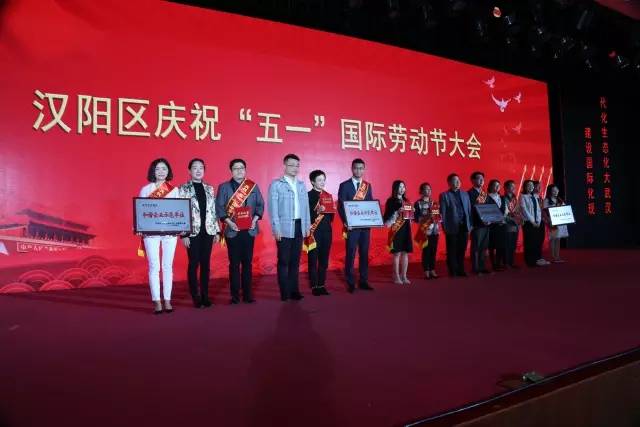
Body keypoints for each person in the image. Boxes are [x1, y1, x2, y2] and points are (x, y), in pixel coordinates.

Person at [216, 159, 265, 304]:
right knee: (234, 264)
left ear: (245, 170)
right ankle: (235, 296)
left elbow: (260, 205)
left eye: (241, 168)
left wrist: (255, 220)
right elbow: (219, 207)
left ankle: (248, 295)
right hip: (232, 231)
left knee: (247, 264)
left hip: (249, 230)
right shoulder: (224, 187)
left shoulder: (252, 186)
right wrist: (229, 222)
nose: (239, 171)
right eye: (236, 168)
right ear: (231, 171)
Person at [268, 154, 311, 302]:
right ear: (285, 166)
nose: (295, 168)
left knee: (295, 261)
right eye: (291, 165)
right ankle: (284, 292)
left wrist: (307, 226)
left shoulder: (301, 185)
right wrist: (276, 229)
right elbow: (273, 209)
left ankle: (294, 291)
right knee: (284, 261)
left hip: (299, 225)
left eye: (297, 165)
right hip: (284, 227)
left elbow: (306, 208)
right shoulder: (276, 184)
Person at [138, 158, 179, 314]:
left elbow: (179, 211)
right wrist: (140, 226)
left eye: (164, 168)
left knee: (167, 266)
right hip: (151, 233)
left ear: (168, 171)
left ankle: (167, 299)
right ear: (153, 172)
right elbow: (140, 211)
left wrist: (181, 226)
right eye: (158, 169)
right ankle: (156, 300)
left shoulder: (174, 190)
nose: (161, 171)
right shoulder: (146, 189)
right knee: (154, 266)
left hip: (170, 232)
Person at [179, 158, 220, 308]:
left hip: (208, 231)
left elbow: (213, 211)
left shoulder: (209, 188)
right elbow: (180, 212)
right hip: (192, 233)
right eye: (195, 168)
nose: (198, 170)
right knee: (194, 263)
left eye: (201, 168)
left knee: (205, 264)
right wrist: (184, 234)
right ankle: (195, 296)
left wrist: (217, 231)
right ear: (189, 171)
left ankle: (205, 296)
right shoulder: (183, 189)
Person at [338, 158, 375, 293]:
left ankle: (363, 281)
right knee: (351, 253)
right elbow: (341, 206)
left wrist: (372, 219)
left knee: (364, 254)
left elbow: (370, 205)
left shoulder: (367, 186)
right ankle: (350, 282)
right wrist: (346, 222)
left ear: (364, 170)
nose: (358, 170)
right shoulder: (344, 185)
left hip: (365, 227)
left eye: (361, 168)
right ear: (352, 169)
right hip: (352, 227)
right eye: (356, 168)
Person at [305, 170, 334, 296]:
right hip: (314, 231)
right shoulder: (307, 196)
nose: (322, 182)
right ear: (312, 182)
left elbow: (331, 217)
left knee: (324, 259)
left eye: (323, 180)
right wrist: (317, 211)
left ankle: (322, 284)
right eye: (319, 180)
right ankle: (314, 285)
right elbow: (305, 215)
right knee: (313, 259)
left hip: (326, 231)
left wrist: (332, 209)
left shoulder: (328, 196)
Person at [439, 173, 472, 277]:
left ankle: (461, 269)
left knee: (462, 249)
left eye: (458, 180)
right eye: (454, 180)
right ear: (449, 183)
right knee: (452, 249)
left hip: (464, 225)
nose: (457, 182)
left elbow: (469, 210)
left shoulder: (465, 194)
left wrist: (470, 224)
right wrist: (444, 227)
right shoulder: (444, 195)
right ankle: (452, 270)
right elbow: (443, 212)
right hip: (451, 226)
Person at [383, 180, 413, 284]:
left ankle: (404, 276)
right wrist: (397, 212)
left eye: (403, 187)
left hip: (406, 229)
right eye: (400, 187)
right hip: (396, 229)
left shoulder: (406, 201)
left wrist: (412, 212)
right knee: (397, 253)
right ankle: (396, 276)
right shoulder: (391, 201)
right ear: (395, 188)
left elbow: (410, 217)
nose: (402, 189)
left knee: (405, 253)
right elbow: (386, 217)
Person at [414, 182, 440, 280]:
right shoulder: (418, 203)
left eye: (430, 189)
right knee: (426, 251)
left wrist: (438, 218)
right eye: (426, 189)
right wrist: (427, 218)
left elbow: (438, 216)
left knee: (433, 251)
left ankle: (432, 269)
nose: (428, 191)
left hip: (435, 231)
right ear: (421, 191)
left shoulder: (434, 203)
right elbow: (416, 219)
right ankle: (426, 271)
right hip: (425, 231)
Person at [468, 171, 492, 275]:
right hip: (476, 224)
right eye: (479, 178)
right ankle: (475, 268)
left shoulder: (484, 193)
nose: (481, 180)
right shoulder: (469, 194)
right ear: (473, 180)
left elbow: (490, 207)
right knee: (476, 247)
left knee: (484, 247)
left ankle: (482, 267)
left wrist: (490, 218)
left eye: (482, 178)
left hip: (486, 224)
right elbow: (470, 210)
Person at [519, 180, 546, 267]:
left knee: (536, 241)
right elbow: (524, 210)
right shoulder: (522, 196)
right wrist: (532, 221)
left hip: (536, 223)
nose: (531, 187)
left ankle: (537, 259)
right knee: (529, 242)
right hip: (528, 223)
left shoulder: (534, 196)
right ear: (525, 187)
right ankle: (529, 261)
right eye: (528, 185)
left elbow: (538, 210)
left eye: (532, 185)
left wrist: (538, 221)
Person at [543, 184, 569, 263]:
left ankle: (557, 256)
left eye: (556, 190)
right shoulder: (547, 200)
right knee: (553, 239)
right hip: (552, 222)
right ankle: (553, 257)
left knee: (558, 239)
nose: (555, 192)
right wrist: (549, 221)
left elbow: (565, 209)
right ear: (550, 191)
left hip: (560, 222)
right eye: (553, 191)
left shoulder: (559, 199)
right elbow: (544, 212)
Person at [486, 179, 507, 271]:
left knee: (501, 244)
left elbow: (505, 210)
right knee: (492, 245)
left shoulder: (502, 197)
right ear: (490, 186)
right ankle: (493, 264)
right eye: (495, 185)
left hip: (501, 224)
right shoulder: (486, 197)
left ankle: (498, 263)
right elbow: (485, 210)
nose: (497, 187)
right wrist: (493, 220)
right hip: (491, 225)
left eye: (499, 185)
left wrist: (503, 218)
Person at [502, 180, 521, 269]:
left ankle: (511, 262)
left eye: (514, 186)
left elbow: (518, 210)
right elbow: (503, 213)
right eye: (511, 186)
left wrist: (519, 218)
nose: (513, 188)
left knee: (513, 244)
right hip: (508, 224)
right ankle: (506, 263)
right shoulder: (503, 198)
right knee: (507, 244)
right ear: (506, 188)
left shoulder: (515, 198)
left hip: (515, 224)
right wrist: (512, 219)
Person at [532, 180, 550, 266]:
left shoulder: (540, 197)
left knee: (540, 240)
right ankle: (535, 258)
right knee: (535, 241)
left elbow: (542, 210)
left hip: (541, 222)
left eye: (540, 186)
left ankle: (539, 257)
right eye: (537, 186)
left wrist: (547, 219)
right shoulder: (530, 197)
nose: (539, 188)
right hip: (534, 222)